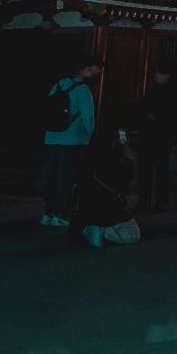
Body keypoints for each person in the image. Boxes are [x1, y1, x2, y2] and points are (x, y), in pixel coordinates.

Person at [72, 102, 141, 248]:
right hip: (109, 211)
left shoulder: (88, 161)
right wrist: (125, 145)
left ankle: (93, 228)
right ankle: (101, 231)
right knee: (133, 235)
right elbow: (129, 171)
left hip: (86, 212)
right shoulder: (117, 163)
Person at [42, 60, 99, 228]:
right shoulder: (82, 89)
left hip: (51, 137)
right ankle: (62, 214)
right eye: (93, 70)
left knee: (51, 177)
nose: (96, 73)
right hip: (73, 139)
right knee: (66, 179)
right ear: (84, 70)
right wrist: (92, 134)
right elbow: (88, 116)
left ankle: (48, 213)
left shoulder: (57, 85)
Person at [137, 63, 177, 213]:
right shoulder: (157, 89)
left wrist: (155, 118)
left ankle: (155, 200)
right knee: (151, 169)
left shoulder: (170, 92)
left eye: (158, 72)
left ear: (166, 75)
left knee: (156, 169)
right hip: (154, 134)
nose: (155, 75)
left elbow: (176, 115)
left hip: (159, 135)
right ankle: (149, 199)